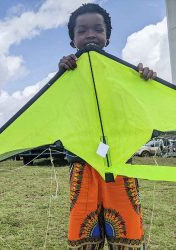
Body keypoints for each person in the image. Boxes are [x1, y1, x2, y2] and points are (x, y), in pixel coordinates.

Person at [58, 3, 156, 250]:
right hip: (83, 163)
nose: (90, 34)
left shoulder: (124, 75)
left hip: (121, 162)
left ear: (107, 38)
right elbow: (60, 108)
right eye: (82, 30)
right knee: (84, 232)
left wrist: (145, 83)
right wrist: (61, 74)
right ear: (73, 41)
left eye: (97, 29)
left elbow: (139, 110)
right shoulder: (67, 74)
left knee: (126, 229)